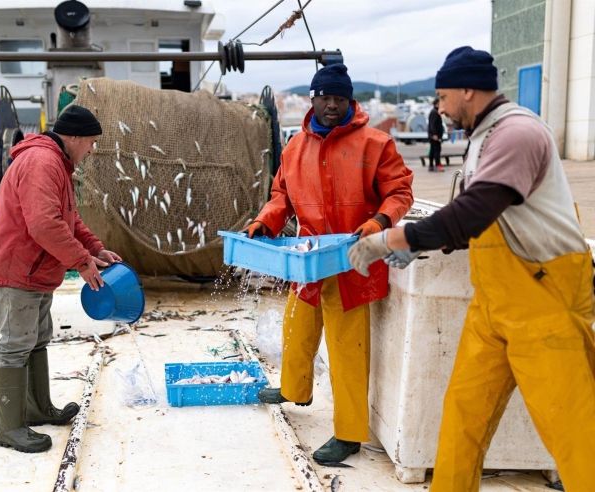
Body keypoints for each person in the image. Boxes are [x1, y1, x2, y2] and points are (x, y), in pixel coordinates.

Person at [348, 46, 595, 491]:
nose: (439, 108)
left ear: (467, 90)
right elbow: (480, 221)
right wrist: (424, 245)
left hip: (544, 302)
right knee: (463, 413)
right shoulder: (484, 136)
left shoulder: (518, 133)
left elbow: (475, 211)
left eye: (442, 97)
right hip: (494, 305)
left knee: (574, 429)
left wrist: (394, 239)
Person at [245, 63, 413, 464]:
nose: (332, 105)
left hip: (351, 262)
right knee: (296, 327)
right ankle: (293, 390)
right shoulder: (294, 148)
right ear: (313, 99)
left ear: (349, 100)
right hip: (307, 260)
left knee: (346, 350)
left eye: (340, 98)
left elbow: (400, 191)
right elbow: (281, 196)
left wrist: (379, 222)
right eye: (325, 98)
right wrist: (265, 221)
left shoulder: (376, 143)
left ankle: (349, 434)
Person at [0, 105, 122, 453]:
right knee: (16, 346)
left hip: (35, 270)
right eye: (91, 142)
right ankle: (10, 428)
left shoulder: (57, 163)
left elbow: (68, 218)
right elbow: (44, 224)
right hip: (17, 270)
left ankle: (37, 408)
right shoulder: (43, 162)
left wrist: (94, 249)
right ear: (73, 137)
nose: (92, 150)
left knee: (36, 339)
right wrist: (81, 262)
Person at [427, 97, 444, 172]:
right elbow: (432, 124)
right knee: (436, 150)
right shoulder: (434, 112)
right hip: (434, 136)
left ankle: (431, 166)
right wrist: (434, 134)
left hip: (434, 135)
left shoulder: (435, 111)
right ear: (437, 104)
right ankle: (437, 165)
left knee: (433, 150)